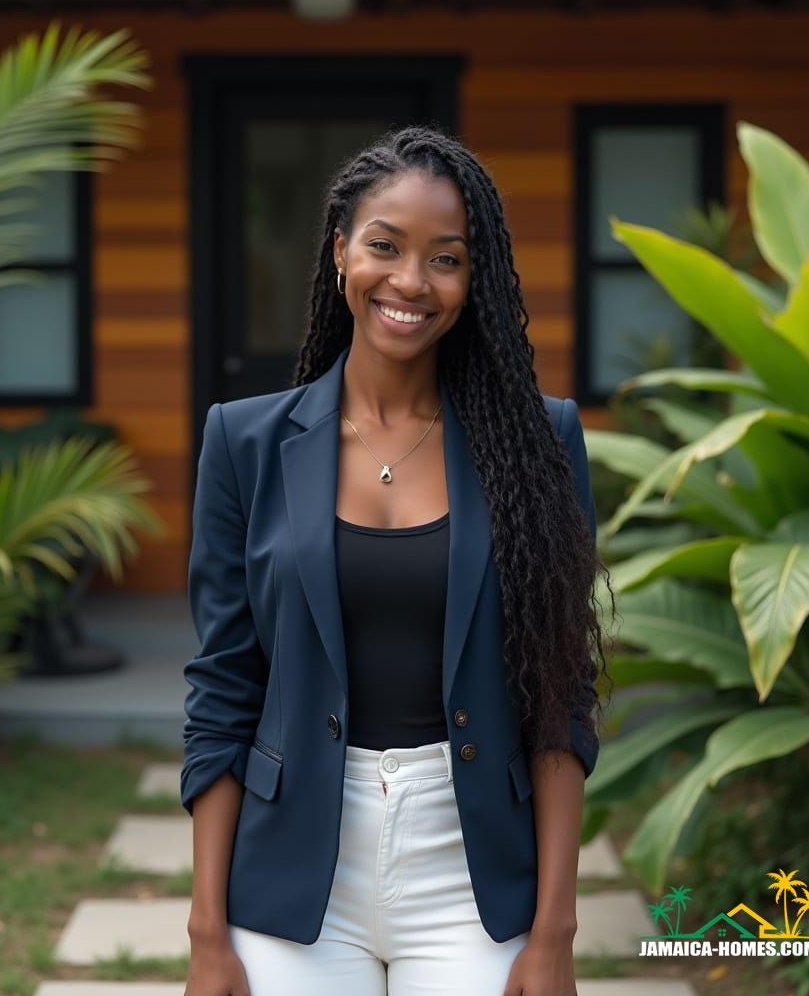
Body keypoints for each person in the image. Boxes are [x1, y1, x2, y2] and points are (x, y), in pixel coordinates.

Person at [181, 125, 613, 996]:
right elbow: (224, 690)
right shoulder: (244, 442)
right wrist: (205, 932)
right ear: (341, 252)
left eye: (445, 258)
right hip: (295, 870)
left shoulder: (540, 444)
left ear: (473, 280)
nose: (411, 281)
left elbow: (560, 699)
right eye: (386, 246)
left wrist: (555, 932)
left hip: (472, 870)